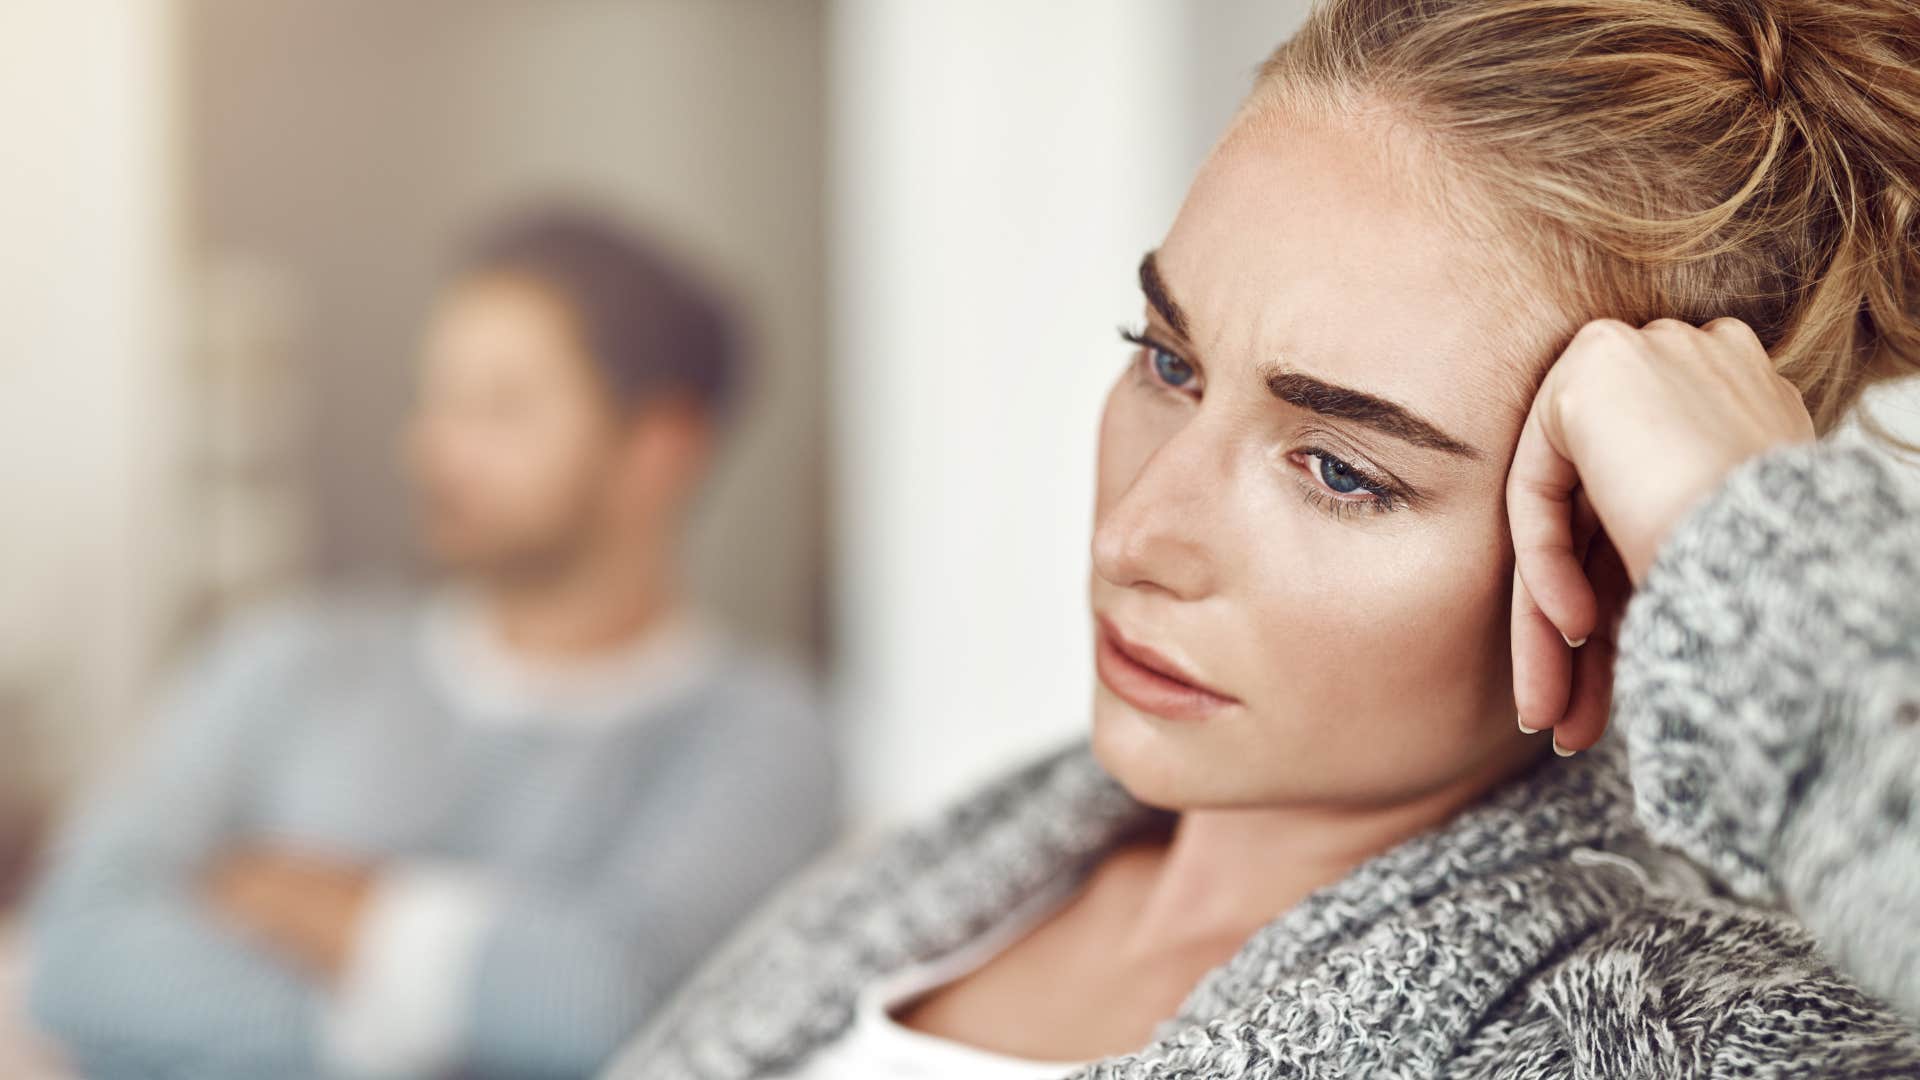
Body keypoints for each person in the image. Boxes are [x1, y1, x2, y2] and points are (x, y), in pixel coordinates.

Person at [602, 0, 1920, 1075]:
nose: (1138, 533)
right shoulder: (966, 873)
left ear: (1623, 556)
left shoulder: (1668, 1030)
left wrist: (1745, 534)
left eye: (1342, 469)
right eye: (1167, 362)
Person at [25, 209, 841, 1079]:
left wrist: (330, 912)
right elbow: (76, 950)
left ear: (659, 448)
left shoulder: (766, 738)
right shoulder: (288, 661)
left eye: (500, 407)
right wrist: (438, 1008)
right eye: (434, 400)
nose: (433, 448)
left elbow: (622, 1006)